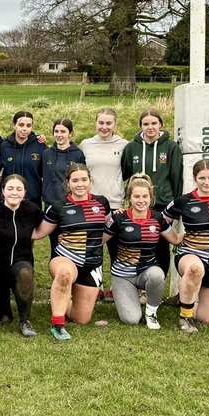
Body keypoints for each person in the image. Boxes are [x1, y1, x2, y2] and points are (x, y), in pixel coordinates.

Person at [31, 163, 111, 341]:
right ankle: (57, 325)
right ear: (68, 183)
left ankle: (61, 299)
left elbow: (107, 228)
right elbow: (39, 233)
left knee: (82, 319)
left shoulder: (102, 202)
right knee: (65, 274)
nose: (80, 184)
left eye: (84, 179)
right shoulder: (58, 206)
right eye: (75, 180)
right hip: (65, 258)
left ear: (90, 181)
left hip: (92, 264)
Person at [162, 159, 209, 333]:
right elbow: (161, 220)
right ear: (195, 179)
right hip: (190, 252)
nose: (206, 182)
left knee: (208, 318)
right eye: (202, 178)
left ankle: (185, 296)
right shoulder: (184, 201)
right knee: (194, 268)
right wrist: (174, 238)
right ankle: (185, 317)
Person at [0, 173, 43, 337]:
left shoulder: (31, 210)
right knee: (2, 319)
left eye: (19, 189)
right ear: (2, 191)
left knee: (24, 274)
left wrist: (62, 236)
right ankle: (2, 301)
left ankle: (25, 321)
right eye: (10, 188)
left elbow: (51, 224)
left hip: (21, 261)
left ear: (25, 192)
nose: (14, 193)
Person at [104, 174, 166, 330]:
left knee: (157, 275)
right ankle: (130, 297)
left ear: (151, 198)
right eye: (136, 196)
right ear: (129, 198)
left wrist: (196, 233)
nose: (141, 200)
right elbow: (99, 240)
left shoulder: (158, 218)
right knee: (131, 320)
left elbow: (175, 239)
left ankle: (151, 313)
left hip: (147, 270)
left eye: (145, 196)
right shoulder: (118, 219)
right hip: (123, 275)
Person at [80, 107, 128, 304]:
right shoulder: (86, 145)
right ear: (95, 123)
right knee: (93, 247)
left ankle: (116, 289)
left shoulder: (125, 145)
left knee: (116, 250)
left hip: (116, 205)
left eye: (109, 123)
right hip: (92, 206)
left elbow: (128, 173)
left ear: (115, 124)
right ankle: (95, 287)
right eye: (101, 123)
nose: (104, 127)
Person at [120, 108, 183, 209]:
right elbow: (123, 175)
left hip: (164, 203)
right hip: (139, 204)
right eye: (145, 124)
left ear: (160, 124)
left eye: (154, 123)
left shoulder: (171, 147)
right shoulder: (131, 148)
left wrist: (177, 204)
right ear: (141, 126)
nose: (150, 127)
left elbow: (177, 178)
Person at [0, 110, 47, 208]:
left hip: (33, 200)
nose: (25, 129)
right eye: (21, 125)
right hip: (9, 200)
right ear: (14, 125)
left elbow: (46, 173)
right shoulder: (4, 146)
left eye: (28, 126)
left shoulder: (39, 145)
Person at [40, 118, 86, 212]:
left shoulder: (78, 154)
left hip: (71, 204)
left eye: (63, 131)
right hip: (50, 203)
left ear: (70, 134)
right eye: (56, 131)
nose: (59, 135)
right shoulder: (46, 154)